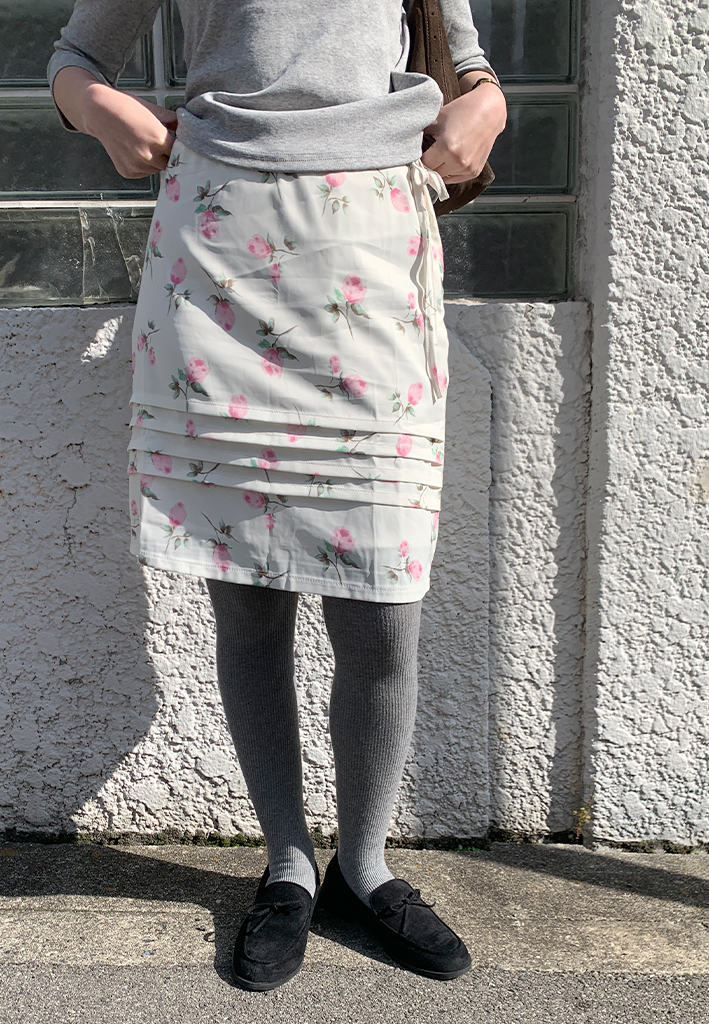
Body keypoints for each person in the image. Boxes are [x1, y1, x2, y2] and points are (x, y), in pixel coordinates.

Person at [49, 0, 506, 992]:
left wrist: (487, 102)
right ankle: (290, 865)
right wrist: (99, 107)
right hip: (221, 254)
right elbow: (77, 56)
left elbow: (466, 59)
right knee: (249, 597)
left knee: (383, 609)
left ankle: (364, 867)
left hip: (373, 255)